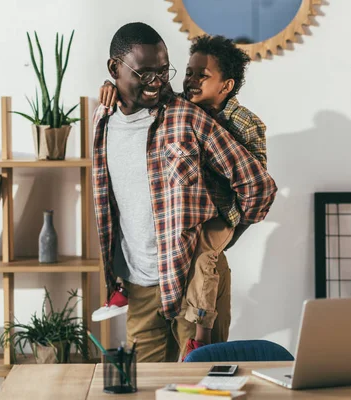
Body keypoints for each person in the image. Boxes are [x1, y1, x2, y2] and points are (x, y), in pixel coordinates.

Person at [91, 22, 277, 362]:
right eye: (145, 73)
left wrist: (223, 237)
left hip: (192, 277)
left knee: (201, 387)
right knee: (145, 389)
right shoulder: (101, 119)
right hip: (139, 284)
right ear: (114, 69)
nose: (158, 82)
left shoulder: (187, 117)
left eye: (163, 72)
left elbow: (258, 186)